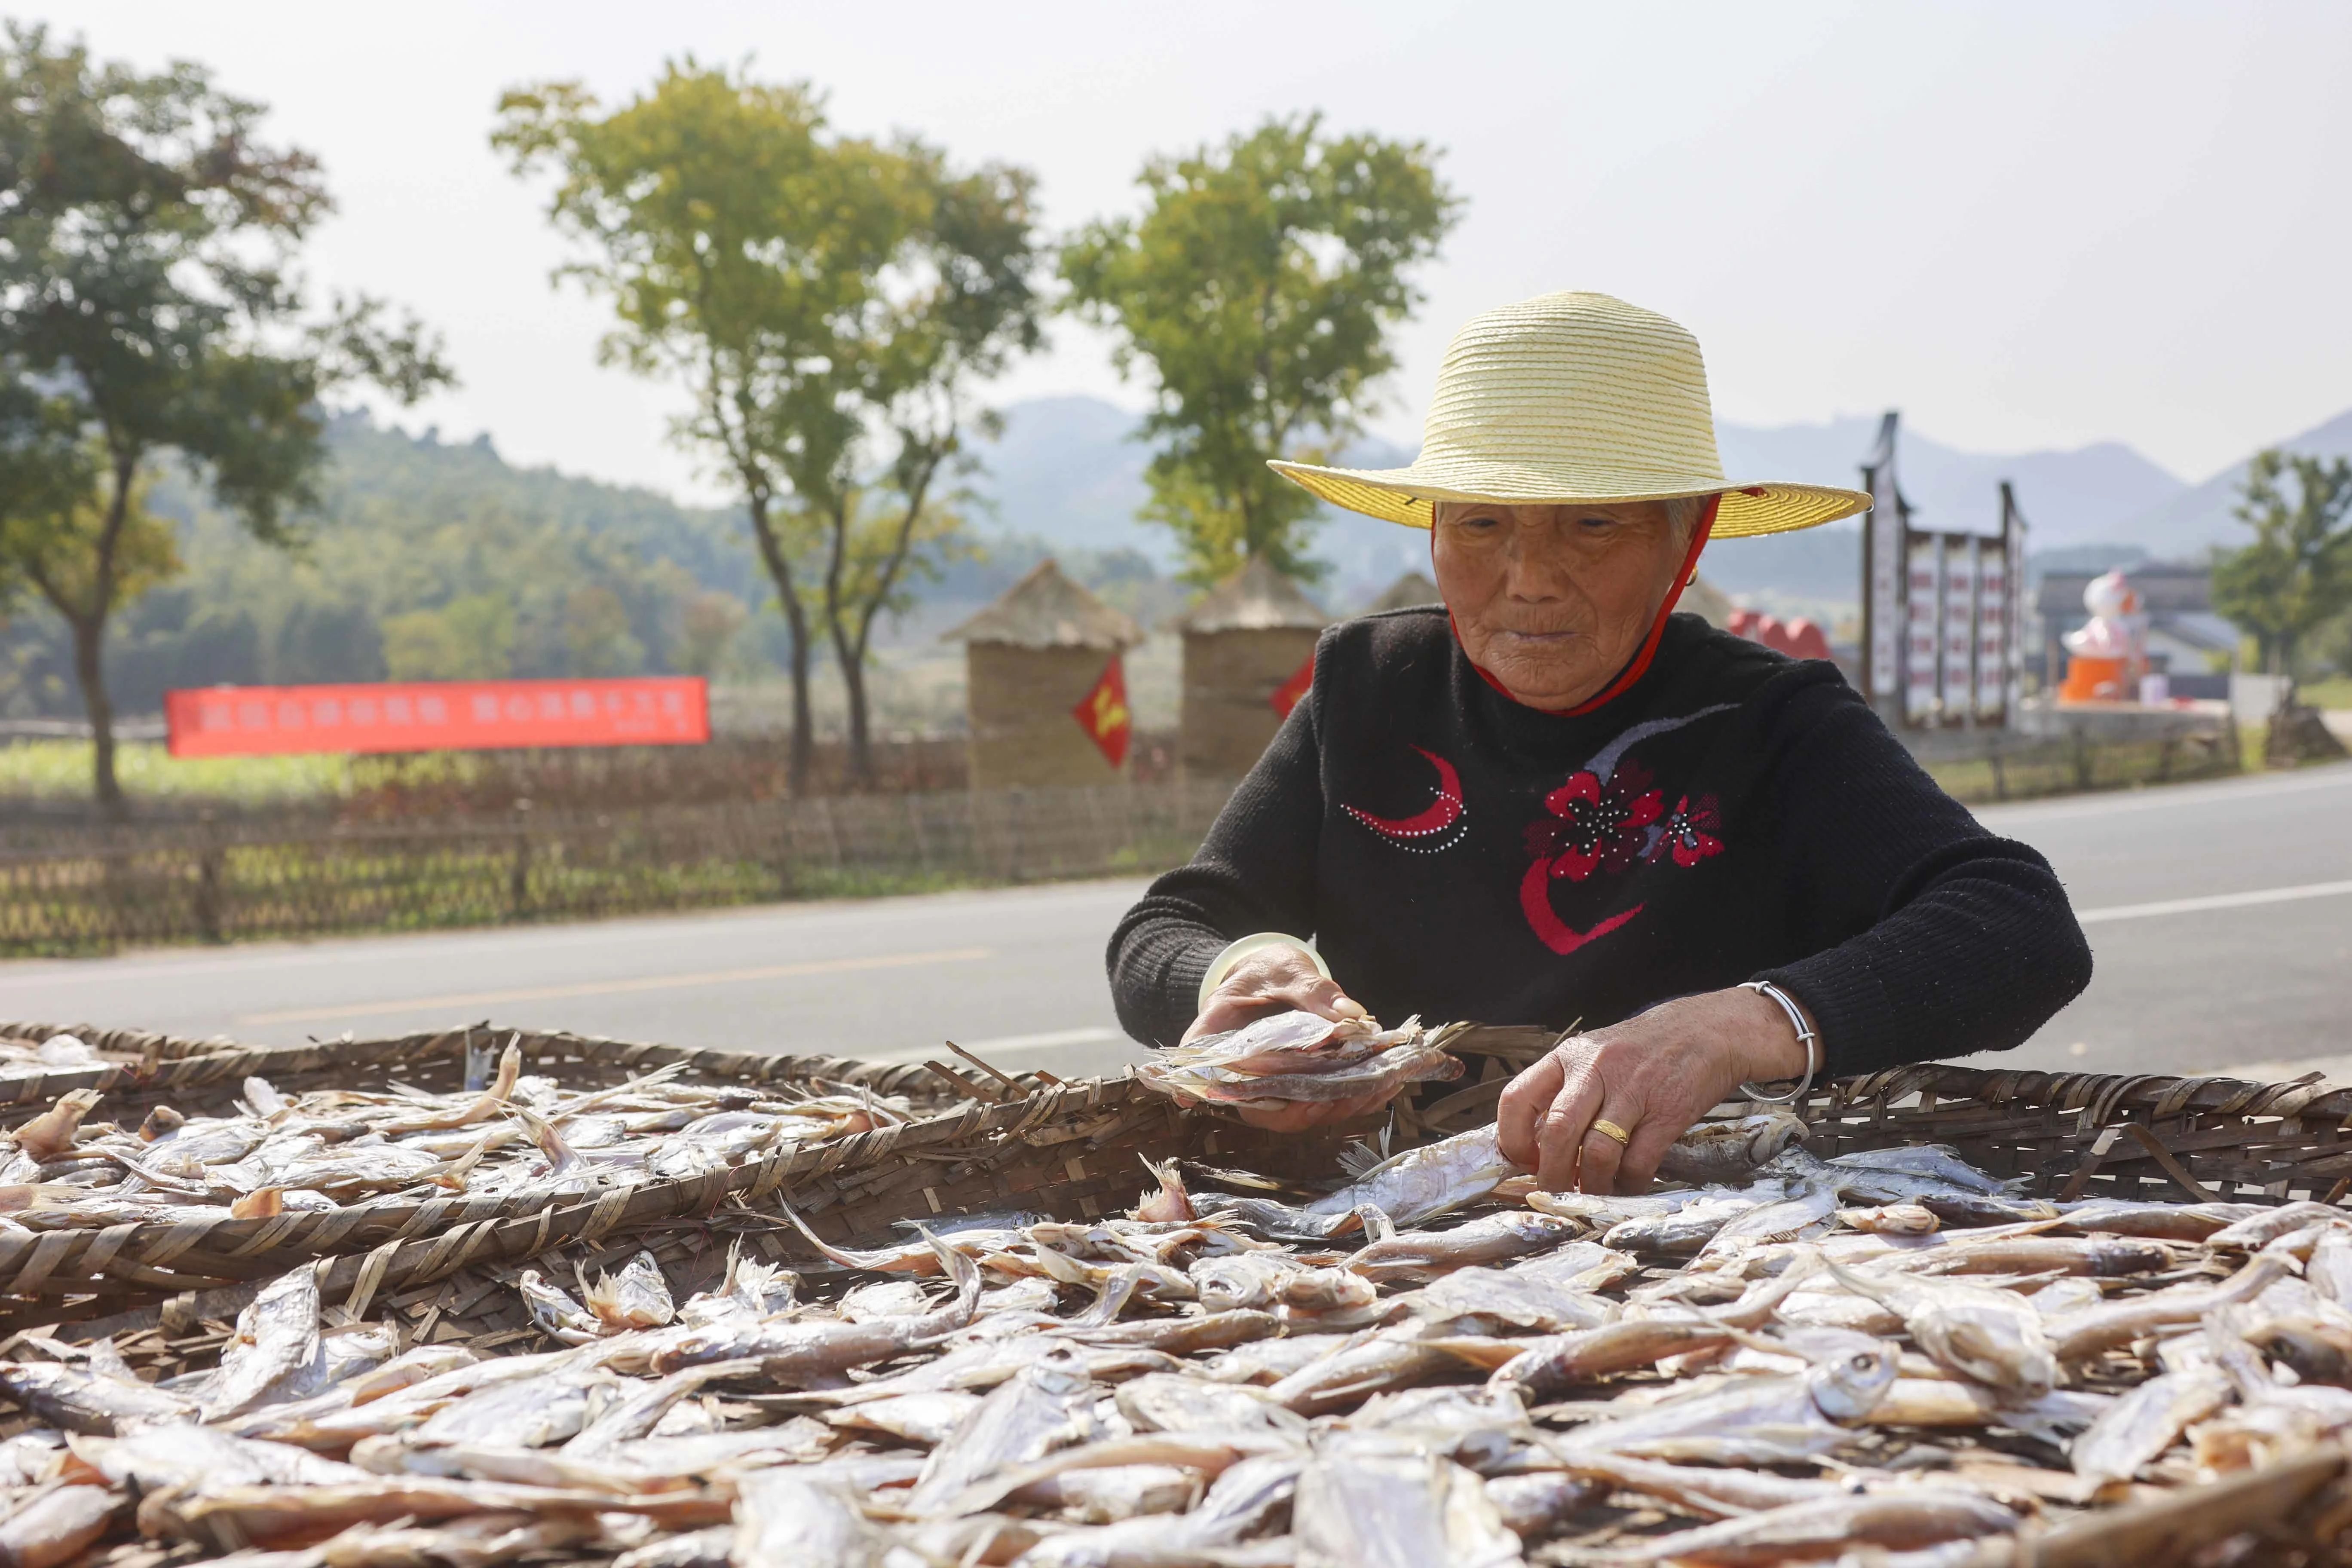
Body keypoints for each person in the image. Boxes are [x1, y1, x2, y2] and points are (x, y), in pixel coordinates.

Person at [1107, 291, 2092, 1194]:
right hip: (1389, 1208)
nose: (1529, 578)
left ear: (1687, 540)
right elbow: (1171, 927)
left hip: (1694, 1221)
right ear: (1434, 530)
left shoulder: (1772, 721)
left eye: (1591, 524)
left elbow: (2021, 928)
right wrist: (1252, 973)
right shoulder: (1370, 687)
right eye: (1484, 523)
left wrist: (1736, 1025)